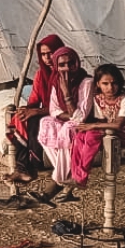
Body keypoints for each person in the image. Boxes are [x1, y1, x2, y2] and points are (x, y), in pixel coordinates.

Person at [4, 34, 65, 184]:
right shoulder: (41, 74)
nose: (47, 57)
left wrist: (36, 111)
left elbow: (65, 106)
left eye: (50, 52)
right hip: (45, 113)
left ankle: (32, 163)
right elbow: (35, 99)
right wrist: (25, 110)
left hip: (63, 115)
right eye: (43, 54)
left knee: (34, 119)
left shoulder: (66, 72)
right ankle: (22, 168)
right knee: (19, 118)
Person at [36, 46, 94, 202]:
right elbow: (54, 110)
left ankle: (56, 183)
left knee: (67, 129)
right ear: (56, 66)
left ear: (77, 63)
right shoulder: (56, 82)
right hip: (69, 119)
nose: (67, 68)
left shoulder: (87, 82)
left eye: (71, 63)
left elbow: (81, 116)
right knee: (46, 123)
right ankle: (65, 178)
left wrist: (67, 93)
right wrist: (69, 115)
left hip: (85, 124)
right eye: (62, 65)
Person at [70, 64, 125, 189]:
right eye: (105, 84)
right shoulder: (98, 99)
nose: (110, 88)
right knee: (79, 136)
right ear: (98, 84)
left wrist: (93, 126)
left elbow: (118, 124)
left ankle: (82, 177)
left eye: (114, 83)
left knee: (91, 136)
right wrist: (92, 127)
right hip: (108, 130)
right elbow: (101, 120)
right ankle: (76, 175)